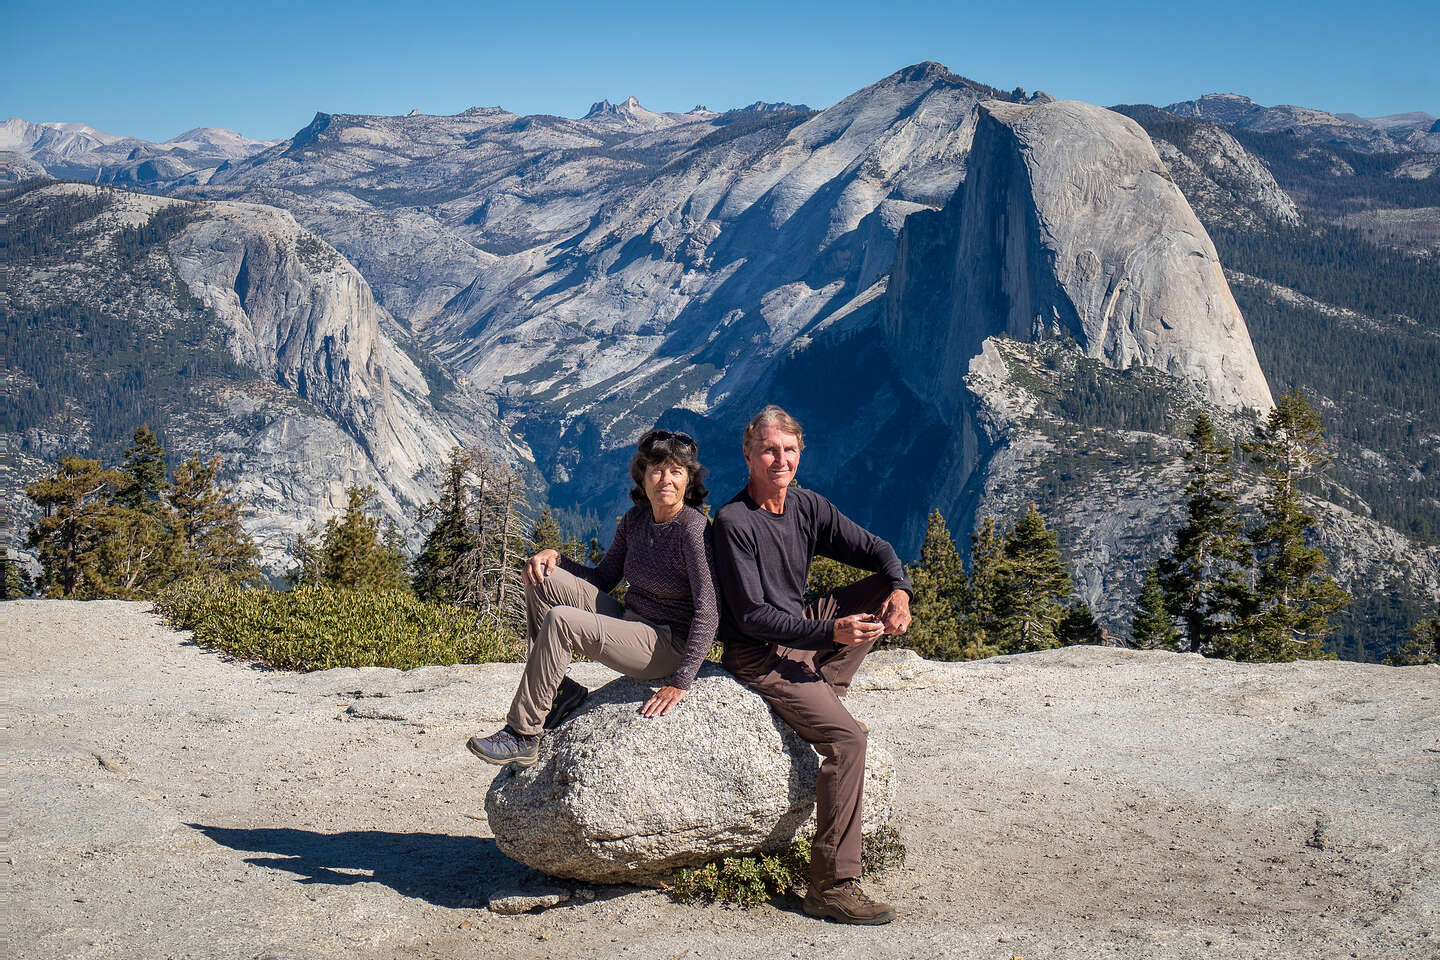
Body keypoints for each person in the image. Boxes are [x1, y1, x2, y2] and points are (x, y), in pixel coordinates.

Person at [712, 405, 911, 925]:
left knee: (875, 589)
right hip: (759, 653)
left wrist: (901, 591)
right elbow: (752, 616)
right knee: (849, 741)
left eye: (790, 450)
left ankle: (826, 687)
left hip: (800, 630)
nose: (781, 460)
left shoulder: (807, 507)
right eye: (770, 450)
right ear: (749, 454)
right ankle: (831, 884)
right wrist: (831, 632)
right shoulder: (733, 522)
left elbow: (878, 549)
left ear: (801, 453)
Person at [467, 430, 718, 766]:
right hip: (632, 622)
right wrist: (556, 558)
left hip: (667, 644)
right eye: (656, 470)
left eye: (676, 471)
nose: (665, 480)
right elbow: (602, 578)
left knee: (562, 621)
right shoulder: (635, 521)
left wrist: (681, 682)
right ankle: (558, 693)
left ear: (689, 480)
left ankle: (524, 733)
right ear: (642, 476)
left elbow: (708, 611)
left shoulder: (693, 530)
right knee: (542, 579)